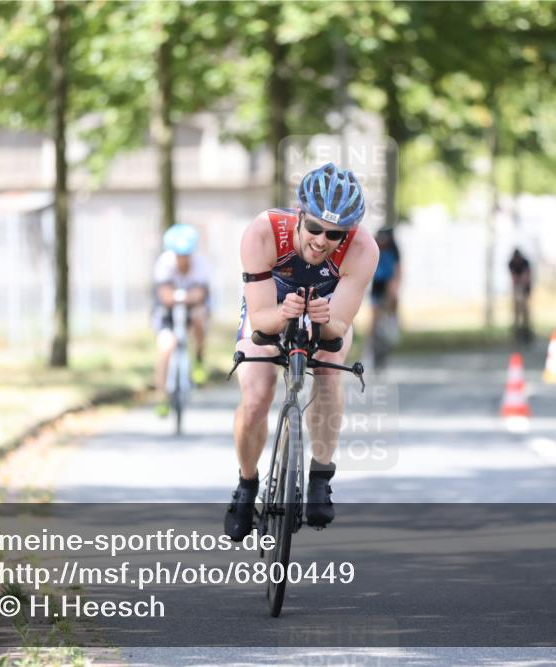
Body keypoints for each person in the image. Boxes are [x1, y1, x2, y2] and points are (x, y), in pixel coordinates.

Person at [225, 163, 379, 541]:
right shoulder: (263, 233)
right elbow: (260, 319)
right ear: (299, 214)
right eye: (313, 227)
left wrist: (324, 321)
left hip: (327, 307)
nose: (322, 240)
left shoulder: (362, 249)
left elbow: (338, 329)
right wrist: (283, 314)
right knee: (257, 394)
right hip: (271, 304)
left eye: (335, 234)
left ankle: (320, 475)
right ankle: (246, 485)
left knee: (329, 370)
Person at [152, 224, 210, 417]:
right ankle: (161, 396)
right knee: (165, 346)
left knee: (200, 319)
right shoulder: (164, 263)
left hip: (192, 310)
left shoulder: (200, 264)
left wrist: (179, 296)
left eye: (186, 254)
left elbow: (201, 295)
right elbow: (164, 296)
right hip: (167, 312)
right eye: (179, 254)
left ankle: (199, 360)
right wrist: (186, 296)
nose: (183, 259)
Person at [368, 226, 403, 368]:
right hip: (377, 287)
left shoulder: (393, 253)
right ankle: (371, 351)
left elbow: (397, 273)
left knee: (390, 315)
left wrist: (393, 291)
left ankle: (391, 332)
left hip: (388, 287)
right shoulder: (374, 250)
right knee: (374, 322)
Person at [508, 248, 533, 343]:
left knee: (525, 308)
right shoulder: (511, 263)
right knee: (516, 309)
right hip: (516, 285)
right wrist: (516, 290)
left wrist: (523, 288)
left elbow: (526, 276)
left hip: (526, 286)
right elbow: (513, 277)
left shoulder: (525, 263)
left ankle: (526, 329)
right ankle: (516, 329)